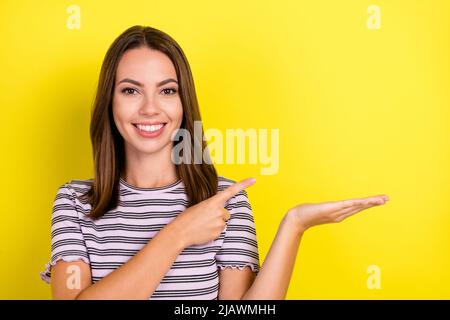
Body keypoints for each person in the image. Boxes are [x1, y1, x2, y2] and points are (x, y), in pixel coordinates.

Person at [40, 25, 390, 300]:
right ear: (110, 102)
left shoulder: (224, 199)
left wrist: (295, 225)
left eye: (167, 90)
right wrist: (178, 234)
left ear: (183, 103)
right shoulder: (75, 202)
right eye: (131, 90)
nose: (150, 108)